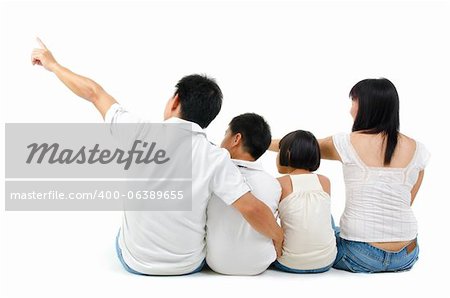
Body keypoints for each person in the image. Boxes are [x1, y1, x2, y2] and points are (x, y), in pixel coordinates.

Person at [31, 38, 283, 275]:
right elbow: (250, 207)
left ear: (175, 101)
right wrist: (278, 235)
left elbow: (93, 92)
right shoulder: (215, 156)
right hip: (188, 265)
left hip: (135, 262)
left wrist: (52, 64)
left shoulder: (136, 131)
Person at [270, 78, 430, 273]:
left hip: (359, 253)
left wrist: (255, 142)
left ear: (368, 106)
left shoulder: (346, 143)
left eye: (354, 101)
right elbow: (407, 201)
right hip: (406, 254)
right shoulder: (419, 150)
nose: (350, 109)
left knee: (322, 217)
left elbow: (296, 147)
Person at [206, 113, 281, 275]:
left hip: (215, 263)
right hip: (259, 265)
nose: (222, 139)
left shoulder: (211, 177)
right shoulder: (274, 185)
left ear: (236, 139)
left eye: (226, 133)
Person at [272, 130, 336, 273]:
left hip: (289, 262)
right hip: (326, 261)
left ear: (287, 153)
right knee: (326, 217)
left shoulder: (279, 183)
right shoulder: (325, 181)